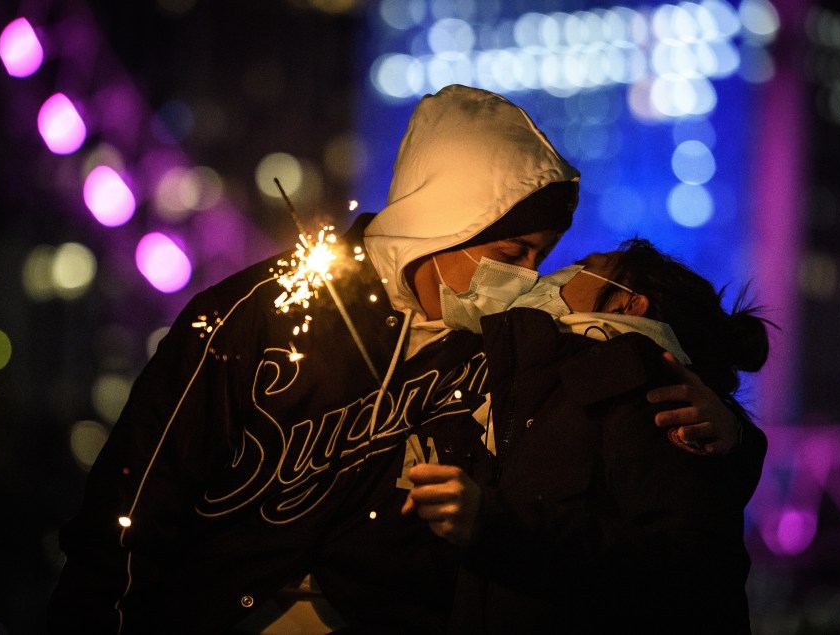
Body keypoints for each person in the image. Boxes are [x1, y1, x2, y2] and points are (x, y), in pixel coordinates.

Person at [48, 85, 746, 634]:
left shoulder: (516, 342)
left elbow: (638, 446)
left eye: (541, 256)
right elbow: (132, 505)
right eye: (512, 254)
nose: (531, 275)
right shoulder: (257, 312)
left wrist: (737, 437)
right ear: (449, 219)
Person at [401, 238, 772, 633]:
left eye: (581, 264)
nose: (552, 274)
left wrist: (491, 523)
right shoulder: (549, 390)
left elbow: (686, 573)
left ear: (629, 303)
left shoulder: (652, 397)